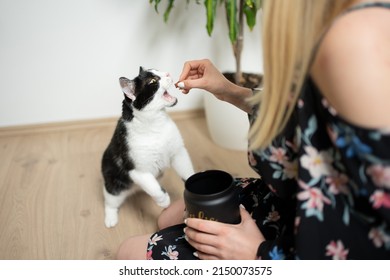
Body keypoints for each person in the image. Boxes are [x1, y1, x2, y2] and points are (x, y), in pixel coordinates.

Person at [117, 0, 390, 260]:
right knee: (170, 216)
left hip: (317, 246)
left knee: (130, 252)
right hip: (298, 199)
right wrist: (227, 90)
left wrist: (258, 254)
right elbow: (295, 115)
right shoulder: (336, 23)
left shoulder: (359, 40)